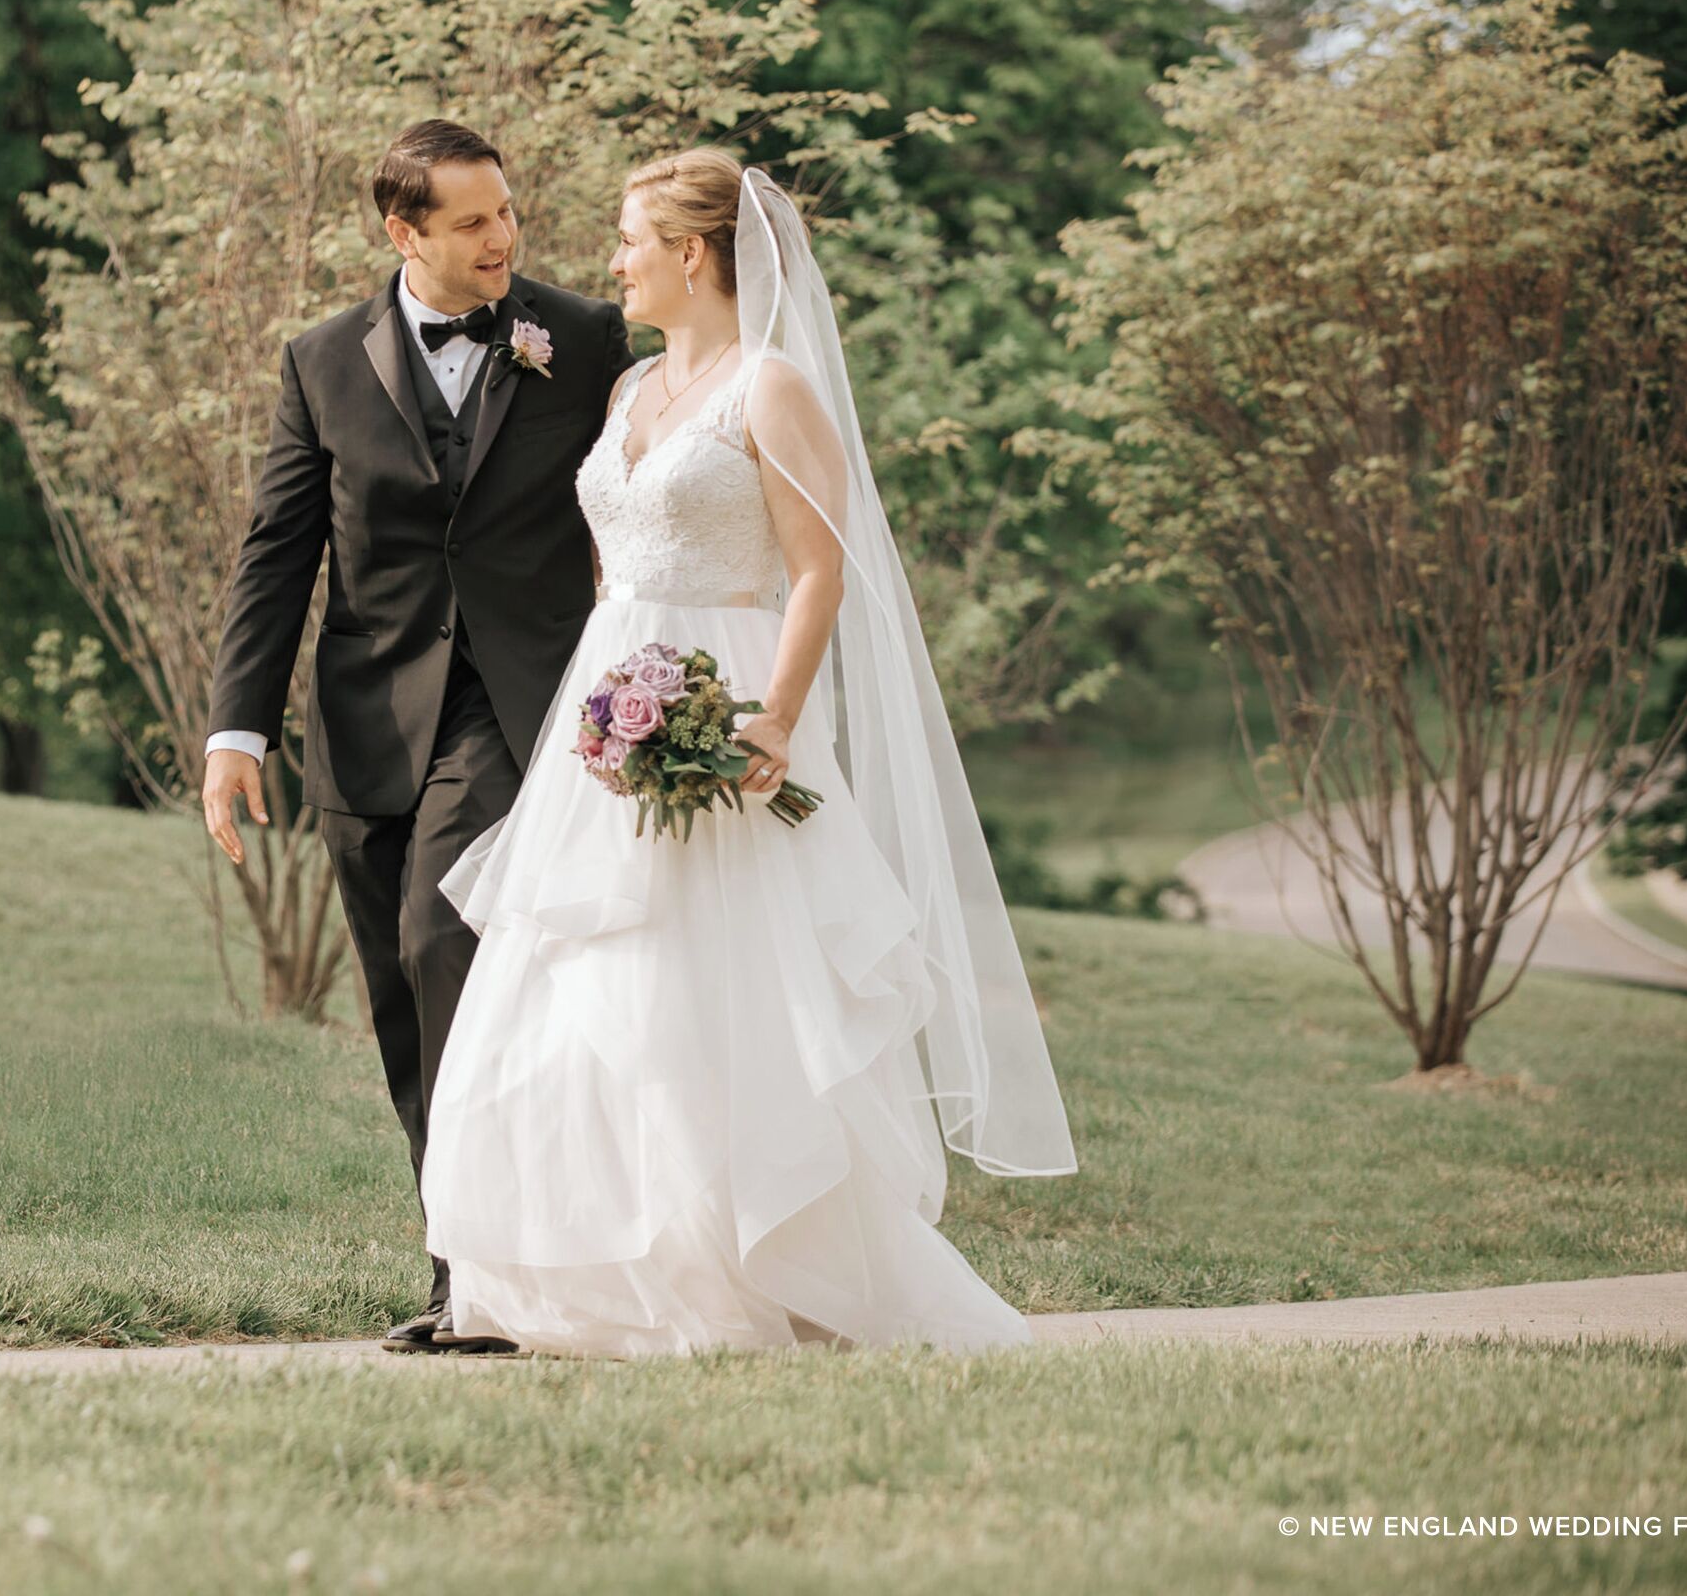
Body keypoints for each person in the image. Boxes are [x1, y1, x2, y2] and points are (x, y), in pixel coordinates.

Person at [418, 150, 1079, 1357]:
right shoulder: (629, 392)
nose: (613, 261)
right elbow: (616, 561)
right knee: (598, 986)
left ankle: (756, 1267)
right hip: (610, 706)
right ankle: (611, 1278)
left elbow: (821, 569)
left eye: (630, 240)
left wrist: (771, 715)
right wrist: (611, 703)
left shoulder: (770, 387)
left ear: (691, 254)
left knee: (727, 983)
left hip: (728, 699)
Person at [201, 118, 635, 1355]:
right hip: (366, 723)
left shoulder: (584, 340)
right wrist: (237, 728)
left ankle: (489, 1281)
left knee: (444, 939)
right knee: (400, 1001)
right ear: (405, 232)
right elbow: (279, 552)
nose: (504, 237)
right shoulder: (321, 362)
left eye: (508, 211)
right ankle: (460, 1272)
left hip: (518, 709)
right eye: (473, 222)